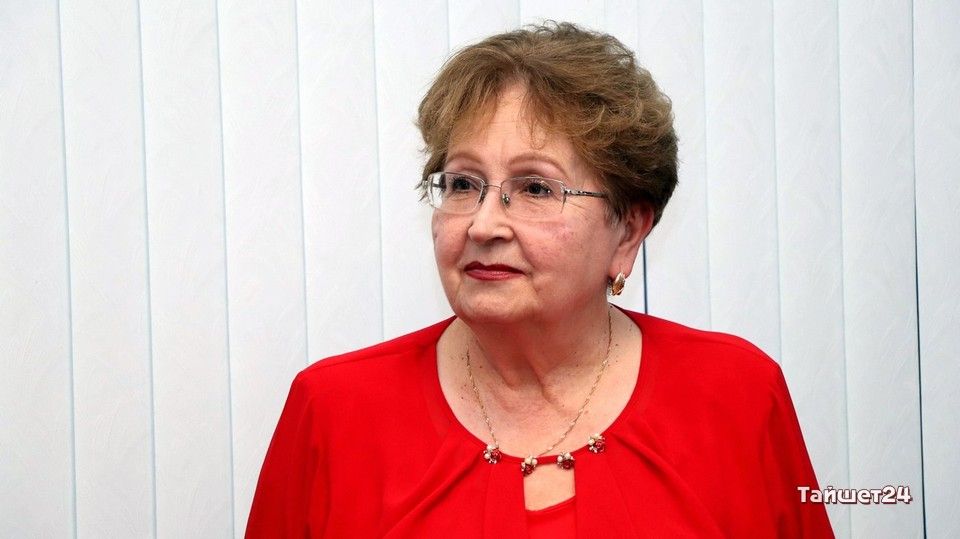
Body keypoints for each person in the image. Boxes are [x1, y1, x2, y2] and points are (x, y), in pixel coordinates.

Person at [246, 21, 833, 538]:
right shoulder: (333, 411)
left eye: (534, 188)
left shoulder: (737, 396)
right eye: (462, 184)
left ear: (627, 231)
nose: (483, 225)